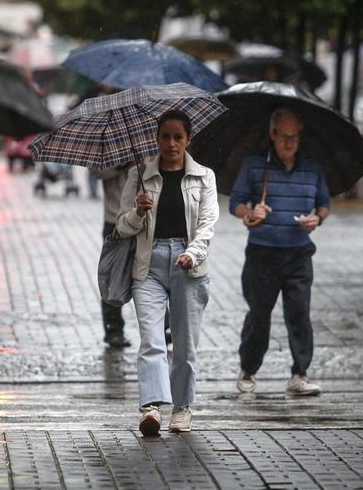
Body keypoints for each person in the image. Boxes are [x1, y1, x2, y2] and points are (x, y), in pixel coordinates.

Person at [116, 110, 219, 436]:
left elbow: (207, 225)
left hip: (190, 267)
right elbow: (121, 226)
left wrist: (192, 253)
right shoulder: (139, 175)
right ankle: (150, 407)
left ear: (188, 139)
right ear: (156, 139)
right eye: (165, 136)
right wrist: (137, 211)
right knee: (151, 338)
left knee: (185, 345)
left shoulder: (204, 177)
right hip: (148, 265)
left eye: (178, 137)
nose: (171, 143)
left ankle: (182, 406)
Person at [229, 108, 330, 397]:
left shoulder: (312, 167)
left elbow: (324, 203)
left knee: (299, 314)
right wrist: (250, 212)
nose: (289, 143)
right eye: (284, 136)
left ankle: (300, 373)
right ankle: (248, 368)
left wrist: (318, 218)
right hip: (262, 253)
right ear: (272, 134)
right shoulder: (255, 165)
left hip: (299, 252)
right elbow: (235, 202)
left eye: (294, 137)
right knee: (259, 315)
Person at [90, 163, 133, 348]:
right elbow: (96, 172)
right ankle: (114, 330)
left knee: (152, 277)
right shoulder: (110, 147)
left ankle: (163, 327)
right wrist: (123, 164)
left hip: (145, 220)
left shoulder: (151, 144)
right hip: (115, 220)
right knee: (114, 279)